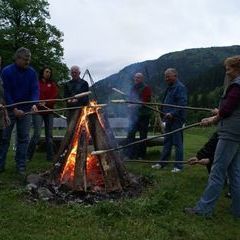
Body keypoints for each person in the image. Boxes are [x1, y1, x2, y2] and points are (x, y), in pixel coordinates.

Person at [185, 56, 240, 218]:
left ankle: (203, 210)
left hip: (230, 133)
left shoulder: (236, 85)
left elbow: (228, 110)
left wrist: (212, 120)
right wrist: (219, 112)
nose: (227, 71)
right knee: (235, 173)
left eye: (229, 68)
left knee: (217, 172)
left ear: (237, 68)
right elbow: (233, 108)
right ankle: (238, 210)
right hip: (237, 133)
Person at [0, 47, 39, 175]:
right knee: (4, 137)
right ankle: (1, 164)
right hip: (10, 109)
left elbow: (34, 90)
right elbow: (6, 92)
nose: (27, 62)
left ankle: (20, 165)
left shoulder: (32, 72)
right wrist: (13, 108)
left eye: (29, 60)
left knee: (23, 138)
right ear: (17, 58)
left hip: (26, 110)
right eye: (25, 60)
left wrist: (33, 104)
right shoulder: (7, 71)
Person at [152, 68, 187, 173]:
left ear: (175, 76)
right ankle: (162, 163)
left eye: (168, 76)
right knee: (167, 141)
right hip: (168, 119)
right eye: (165, 76)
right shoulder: (170, 87)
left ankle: (179, 166)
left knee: (177, 143)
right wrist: (164, 114)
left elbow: (182, 104)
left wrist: (172, 113)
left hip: (176, 119)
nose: (166, 78)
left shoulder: (180, 87)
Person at [27, 67, 58, 162]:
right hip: (38, 112)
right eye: (46, 72)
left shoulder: (52, 84)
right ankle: (28, 156)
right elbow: (32, 94)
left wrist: (46, 103)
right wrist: (36, 103)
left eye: (49, 72)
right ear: (42, 73)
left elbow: (55, 96)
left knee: (49, 135)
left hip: (49, 111)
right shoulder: (37, 83)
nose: (48, 73)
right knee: (36, 134)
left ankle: (50, 157)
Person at [125, 72, 152, 159]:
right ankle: (130, 154)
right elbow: (130, 99)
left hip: (143, 115)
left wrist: (134, 105)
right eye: (135, 78)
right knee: (130, 134)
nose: (136, 79)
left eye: (138, 78)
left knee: (143, 136)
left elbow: (145, 102)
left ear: (142, 79)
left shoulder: (146, 88)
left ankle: (141, 155)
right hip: (134, 115)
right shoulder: (133, 88)